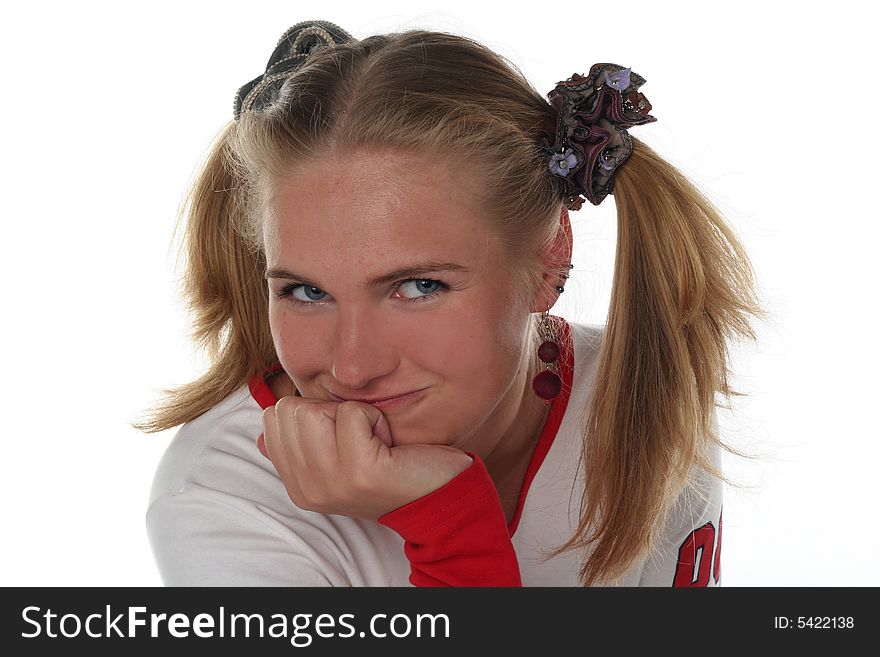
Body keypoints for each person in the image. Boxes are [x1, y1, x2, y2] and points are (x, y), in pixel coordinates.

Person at [134, 20, 765, 586]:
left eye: (418, 286)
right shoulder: (225, 501)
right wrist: (447, 525)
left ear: (550, 258)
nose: (352, 368)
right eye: (307, 291)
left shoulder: (645, 395)